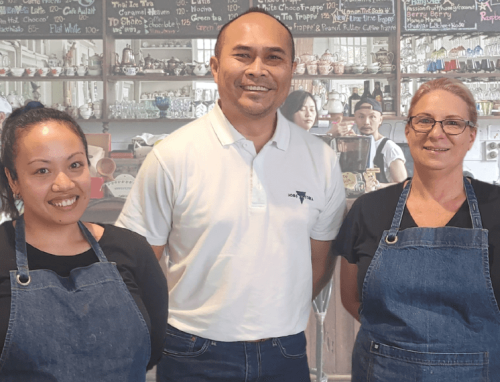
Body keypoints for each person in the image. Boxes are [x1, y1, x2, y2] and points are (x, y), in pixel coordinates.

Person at [116, 7, 345, 382]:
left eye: (274, 57)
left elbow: (318, 262)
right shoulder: (172, 155)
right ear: (215, 66)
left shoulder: (320, 158)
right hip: (192, 352)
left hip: (285, 351)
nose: (258, 69)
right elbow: (138, 267)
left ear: (291, 69)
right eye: (243, 55)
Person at [334, 78, 500, 381]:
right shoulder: (369, 210)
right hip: (383, 371)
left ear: (471, 136)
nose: (436, 132)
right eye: (424, 120)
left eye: (452, 123)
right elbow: (351, 299)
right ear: (407, 130)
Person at [0, 103, 168, 381]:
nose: (64, 183)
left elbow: (152, 350)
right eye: (42, 171)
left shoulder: (132, 250)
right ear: (13, 180)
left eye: (75, 165)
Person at [328, 97, 407, 187]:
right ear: (355, 119)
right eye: (361, 117)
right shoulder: (350, 143)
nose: (366, 122)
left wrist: (377, 186)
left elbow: (403, 186)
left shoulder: (389, 148)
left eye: (372, 117)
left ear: (380, 120)